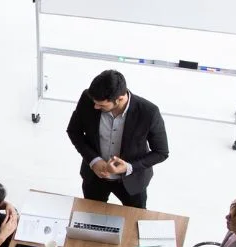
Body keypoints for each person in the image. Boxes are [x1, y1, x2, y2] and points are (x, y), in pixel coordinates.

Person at [66, 70, 169, 209]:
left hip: (132, 182)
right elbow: (74, 131)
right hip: (94, 178)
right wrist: (94, 160)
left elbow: (161, 152)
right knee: (91, 215)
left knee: (134, 219)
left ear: (119, 99)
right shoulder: (88, 98)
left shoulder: (149, 112)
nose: (95, 106)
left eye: (102, 105)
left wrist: (129, 167)